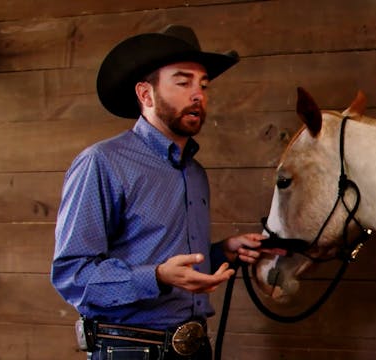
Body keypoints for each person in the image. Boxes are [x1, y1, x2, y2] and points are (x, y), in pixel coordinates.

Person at [51, 25, 268, 360]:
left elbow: (168, 258)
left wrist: (222, 251)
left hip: (195, 349)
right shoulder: (103, 163)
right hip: (130, 351)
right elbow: (72, 275)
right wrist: (155, 277)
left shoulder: (194, 173)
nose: (198, 95)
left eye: (203, 85)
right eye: (183, 82)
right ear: (145, 94)